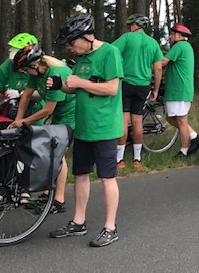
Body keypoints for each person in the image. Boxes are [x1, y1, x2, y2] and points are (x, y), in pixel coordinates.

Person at [49, 14, 123, 247]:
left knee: (106, 177)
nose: (70, 48)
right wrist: (62, 86)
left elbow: (111, 88)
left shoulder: (109, 53)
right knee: (80, 175)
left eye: (72, 43)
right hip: (83, 128)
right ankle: (78, 222)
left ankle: (110, 227)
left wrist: (79, 83)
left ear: (87, 36)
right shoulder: (82, 57)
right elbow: (78, 87)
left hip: (104, 129)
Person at [8, 44, 75, 214]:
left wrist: (24, 122)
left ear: (34, 65)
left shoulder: (54, 73)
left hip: (73, 115)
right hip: (59, 115)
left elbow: (48, 110)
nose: (24, 73)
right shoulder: (37, 73)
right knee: (51, 151)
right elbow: (26, 96)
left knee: (58, 154)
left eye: (25, 69)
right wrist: (18, 120)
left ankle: (58, 200)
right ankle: (48, 194)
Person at [112, 14, 164, 168]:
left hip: (126, 83)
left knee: (123, 120)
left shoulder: (127, 38)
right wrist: (155, 89)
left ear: (135, 25)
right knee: (137, 122)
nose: (129, 27)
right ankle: (137, 159)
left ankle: (119, 160)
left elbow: (110, 51)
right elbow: (158, 68)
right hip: (143, 85)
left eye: (131, 24)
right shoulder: (153, 43)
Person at [157, 23, 199, 157]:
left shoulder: (180, 46)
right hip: (177, 90)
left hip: (179, 90)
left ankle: (184, 150)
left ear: (179, 36)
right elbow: (170, 69)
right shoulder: (185, 47)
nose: (170, 36)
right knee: (170, 118)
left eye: (172, 34)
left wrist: (149, 62)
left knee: (181, 121)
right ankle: (194, 136)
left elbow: (163, 62)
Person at [0, 32, 44, 119]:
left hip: (36, 111)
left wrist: (20, 94)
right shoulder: (6, 67)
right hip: (11, 112)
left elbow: (44, 92)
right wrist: (4, 96)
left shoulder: (40, 67)